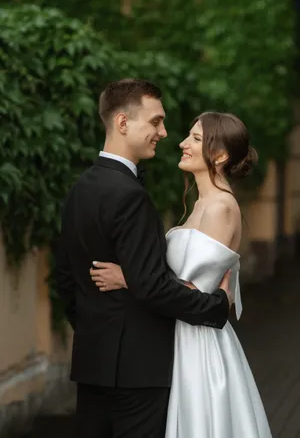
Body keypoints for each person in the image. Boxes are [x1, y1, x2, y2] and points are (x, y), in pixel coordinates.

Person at [56, 79, 233, 438]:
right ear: (122, 123)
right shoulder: (128, 195)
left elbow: (65, 280)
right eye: (155, 122)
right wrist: (216, 307)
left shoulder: (82, 188)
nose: (164, 133)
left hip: (93, 364)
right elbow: (152, 287)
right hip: (140, 370)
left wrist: (99, 332)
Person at [90, 111, 273, 437]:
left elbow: (193, 292)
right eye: (189, 136)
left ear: (220, 155)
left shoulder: (220, 207)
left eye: (196, 139)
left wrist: (127, 278)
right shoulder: (200, 204)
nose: (183, 143)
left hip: (198, 343)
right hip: (179, 334)